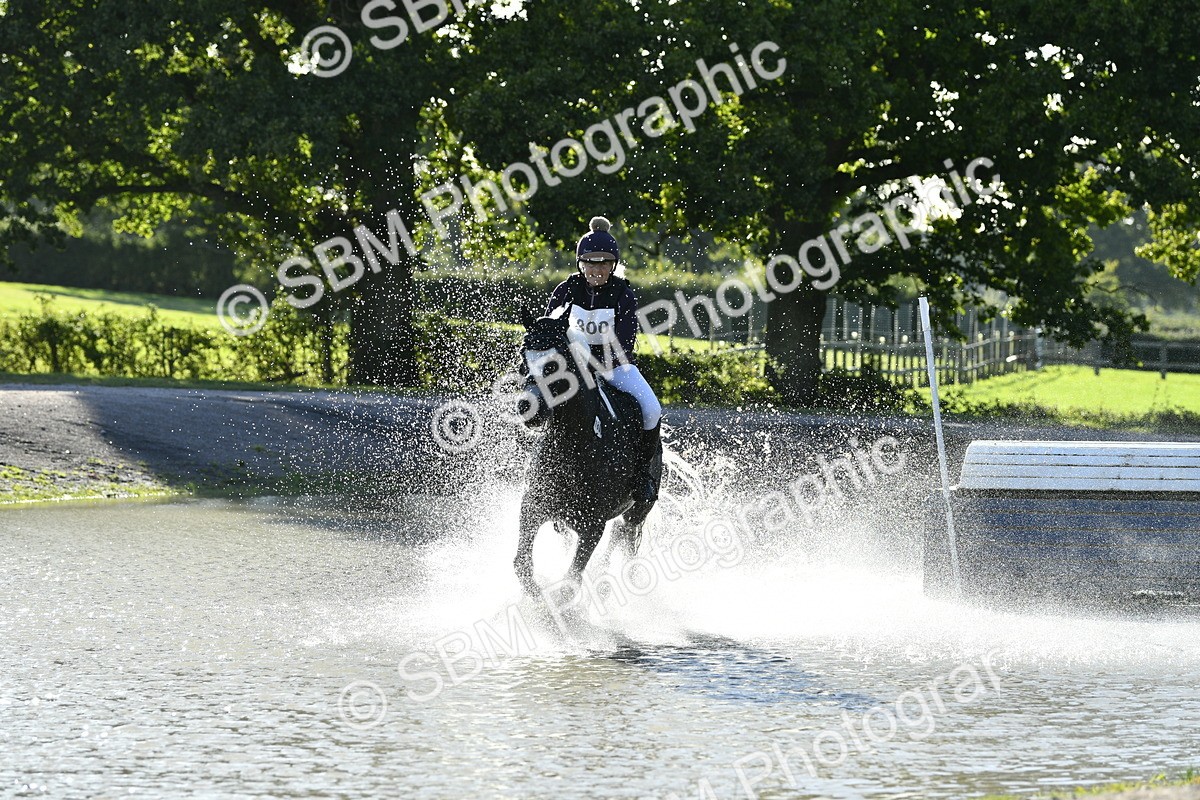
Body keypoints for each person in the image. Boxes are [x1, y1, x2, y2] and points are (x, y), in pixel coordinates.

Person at [546, 216, 662, 502]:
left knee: (651, 409)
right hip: (571, 370)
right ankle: (537, 473)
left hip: (614, 367)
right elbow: (549, 332)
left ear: (612, 265)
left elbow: (623, 342)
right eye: (590, 263)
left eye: (603, 264)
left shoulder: (623, 294)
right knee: (540, 404)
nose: (596, 270)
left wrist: (592, 362)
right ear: (580, 264)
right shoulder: (565, 291)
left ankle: (641, 475)